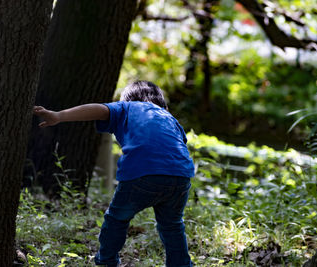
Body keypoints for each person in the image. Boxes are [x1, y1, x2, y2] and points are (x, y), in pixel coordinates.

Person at [33, 80, 195, 267]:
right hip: (181, 175)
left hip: (142, 171)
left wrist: (59, 116)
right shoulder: (169, 117)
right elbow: (179, 144)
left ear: (127, 98)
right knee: (172, 225)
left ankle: (107, 261)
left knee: (117, 218)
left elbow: (96, 109)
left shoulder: (126, 107)